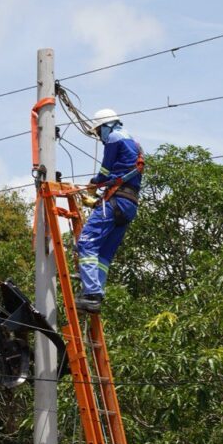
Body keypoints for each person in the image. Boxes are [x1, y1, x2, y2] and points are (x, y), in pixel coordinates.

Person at [75, 109, 143, 313]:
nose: (99, 136)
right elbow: (121, 174)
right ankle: (95, 290)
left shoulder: (114, 137)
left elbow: (105, 172)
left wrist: (94, 184)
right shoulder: (134, 143)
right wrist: (96, 201)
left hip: (116, 200)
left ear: (106, 125)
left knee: (86, 242)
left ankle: (92, 292)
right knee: (104, 254)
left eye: (98, 131)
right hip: (128, 204)